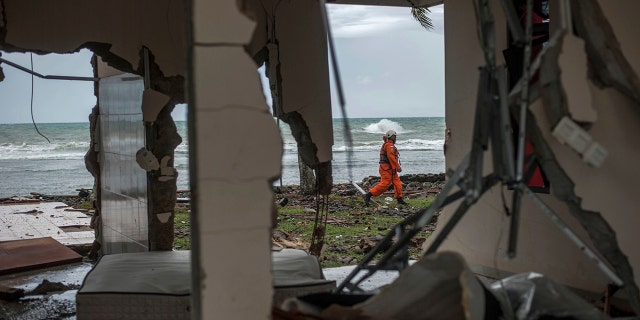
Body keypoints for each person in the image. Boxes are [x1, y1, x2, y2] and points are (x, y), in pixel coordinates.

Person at [365, 130, 408, 206]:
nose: (395, 138)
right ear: (392, 137)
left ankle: (399, 199)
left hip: (391, 169)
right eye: (395, 136)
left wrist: (395, 167)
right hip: (386, 169)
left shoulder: (389, 145)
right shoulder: (389, 145)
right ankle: (369, 194)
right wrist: (397, 166)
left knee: (397, 184)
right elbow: (391, 157)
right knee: (385, 184)